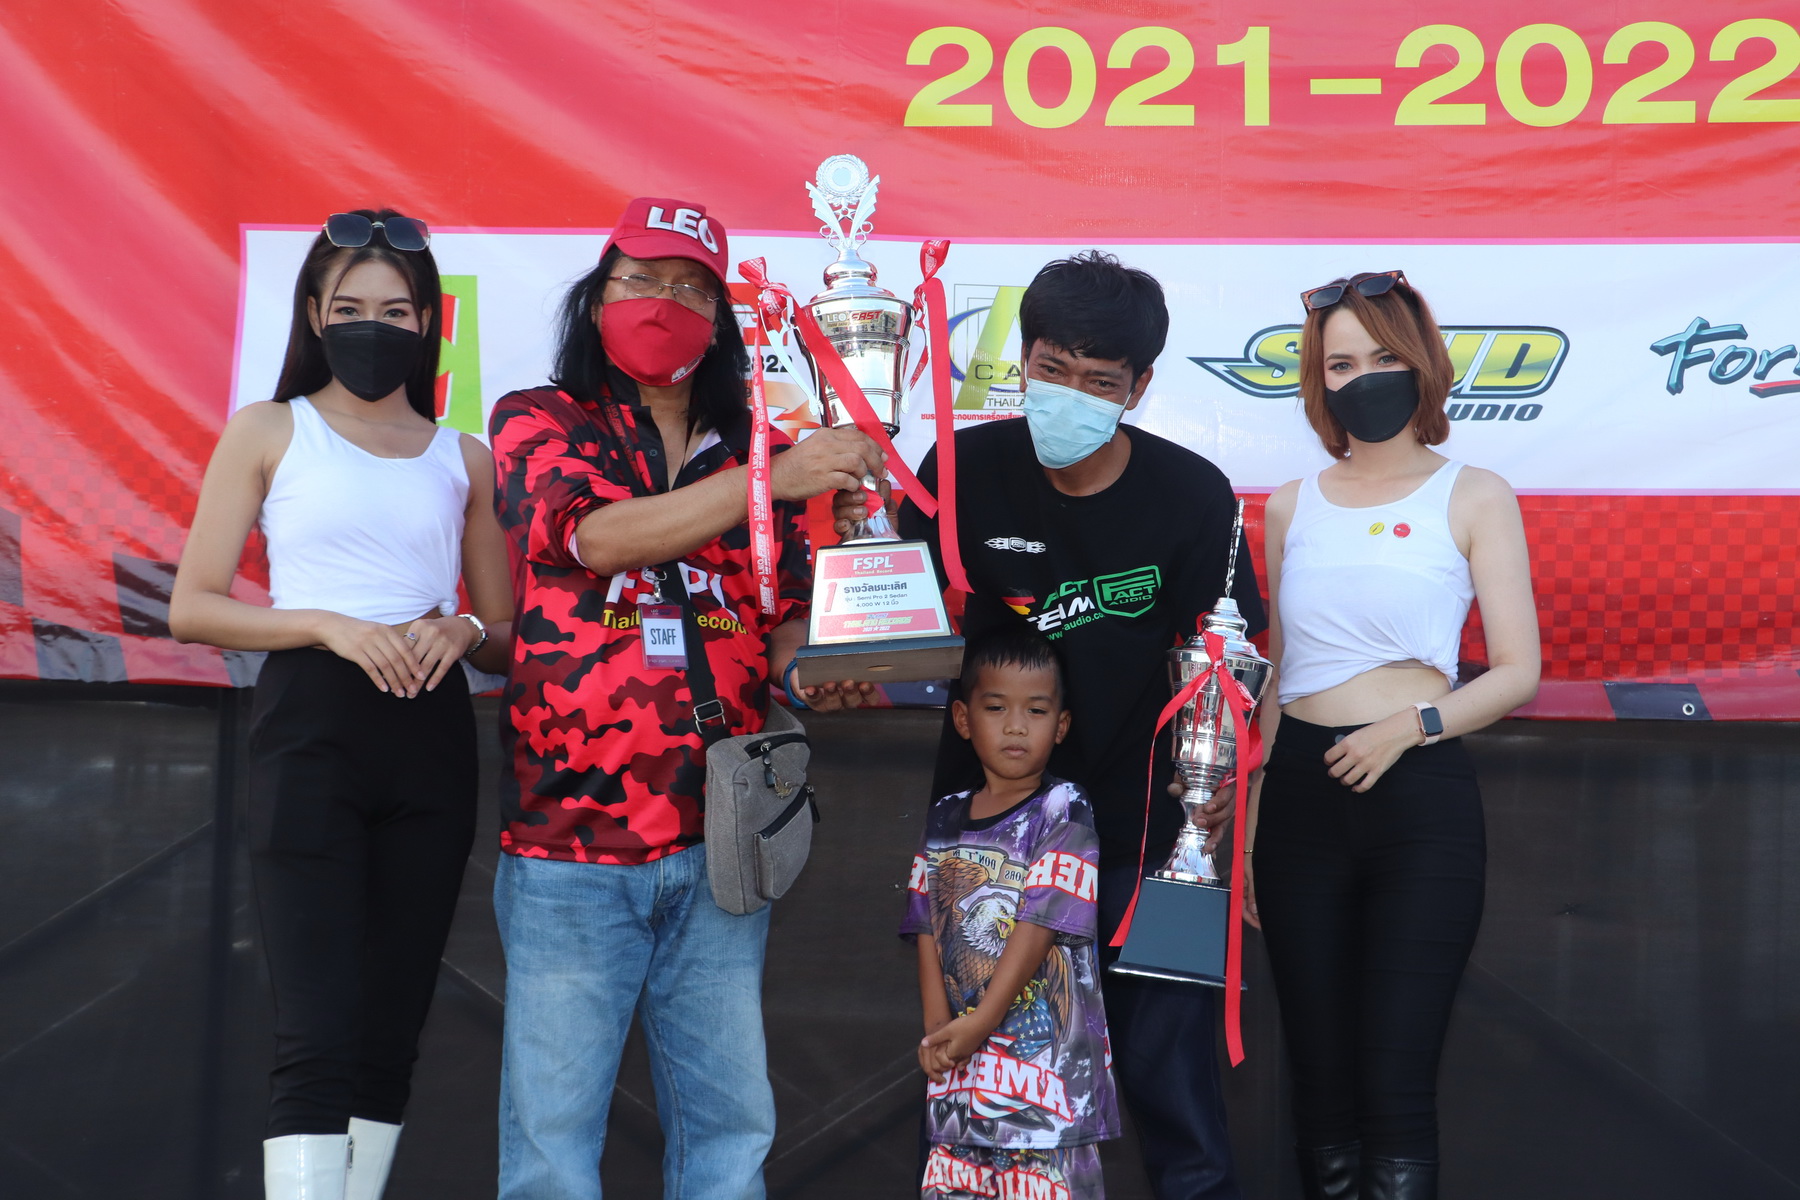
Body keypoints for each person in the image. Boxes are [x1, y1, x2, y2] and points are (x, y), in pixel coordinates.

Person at [486, 196, 882, 1200]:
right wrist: (768, 481)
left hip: (720, 845)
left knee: (729, 1139)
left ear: (719, 319)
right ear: (598, 295)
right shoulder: (541, 418)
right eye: (642, 280)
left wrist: (821, 665)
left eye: (690, 288)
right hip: (570, 846)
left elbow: (782, 623)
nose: (663, 303)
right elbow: (594, 537)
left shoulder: (759, 447)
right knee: (551, 1153)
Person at [845, 251, 1263, 1198]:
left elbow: (1237, 678)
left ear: (1139, 388)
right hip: (993, 848)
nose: (1071, 395)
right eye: (1052, 369)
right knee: (982, 1083)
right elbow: (893, 626)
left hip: (1158, 848)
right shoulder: (961, 470)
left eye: (1100, 382)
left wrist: (1232, 815)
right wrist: (845, 662)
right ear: (1022, 362)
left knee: (1177, 1096)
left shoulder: (1194, 496)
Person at [169, 209, 515, 1200]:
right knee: (315, 1030)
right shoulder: (270, 429)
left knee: (390, 1029)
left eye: (395, 311)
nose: (373, 326)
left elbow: (505, 628)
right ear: (316, 315)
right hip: (311, 729)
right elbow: (193, 607)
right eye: (350, 307)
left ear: (427, 322)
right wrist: (325, 625)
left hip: (430, 739)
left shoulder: (464, 455)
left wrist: (460, 630)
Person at [1247, 270, 1540, 1200]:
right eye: (1341, 364)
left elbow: (1517, 671)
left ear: (1420, 364)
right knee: (1319, 1084)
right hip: (1298, 801)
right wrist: (1248, 826)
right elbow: (1278, 674)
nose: (1362, 377)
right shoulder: (1288, 505)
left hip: (1419, 800)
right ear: (1318, 380)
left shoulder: (1475, 494)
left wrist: (1409, 727)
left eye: (1381, 356)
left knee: (1397, 1082)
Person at [904, 630, 1120, 1200]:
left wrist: (981, 1022)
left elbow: (1041, 922)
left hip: (1049, 1092)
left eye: (1036, 710)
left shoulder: (1064, 806)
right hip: (962, 1083)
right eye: (997, 708)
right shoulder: (944, 816)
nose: (1017, 726)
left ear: (1062, 725)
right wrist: (938, 1029)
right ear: (963, 718)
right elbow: (925, 923)